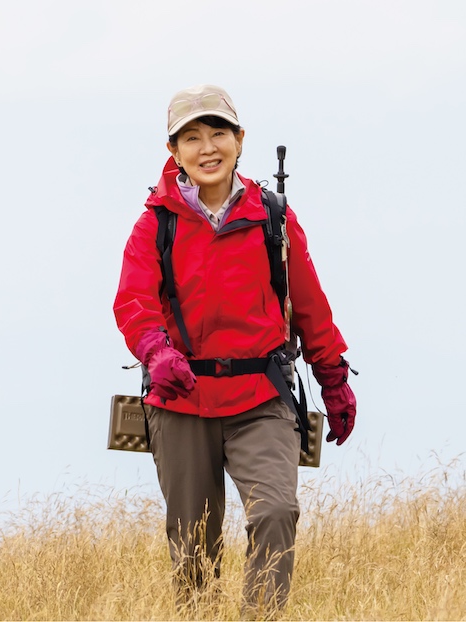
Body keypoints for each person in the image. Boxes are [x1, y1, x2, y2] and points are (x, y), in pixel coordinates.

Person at [113, 84, 356, 615]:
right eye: (192, 137)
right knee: (194, 551)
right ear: (173, 150)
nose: (207, 148)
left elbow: (310, 304)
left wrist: (333, 378)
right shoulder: (154, 224)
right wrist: (157, 353)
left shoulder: (275, 217)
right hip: (180, 399)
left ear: (240, 140)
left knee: (275, 512)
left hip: (260, 398)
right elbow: (132, 303)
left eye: (217, 133)